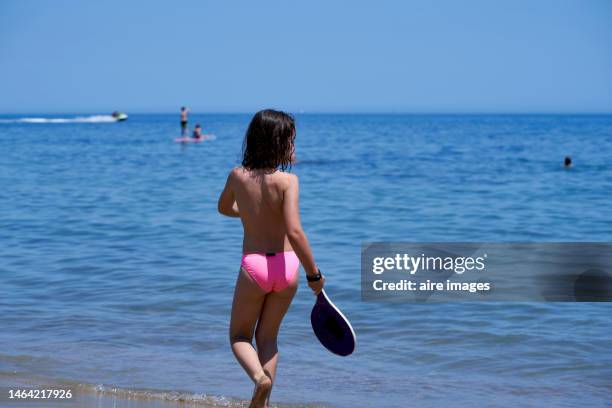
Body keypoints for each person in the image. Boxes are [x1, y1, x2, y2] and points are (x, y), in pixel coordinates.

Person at [217, 109, 324, 408]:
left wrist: (249, 213)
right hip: (286, 268)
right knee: (268, 339)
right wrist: (314, 275)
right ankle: (262, 403)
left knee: (239, 337)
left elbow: (224, 208)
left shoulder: (238, 175)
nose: (293, 146)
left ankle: (258, 379)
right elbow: (295, 231)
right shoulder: (288, 182)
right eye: (291, 140)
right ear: (279, 143)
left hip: (254, 267)